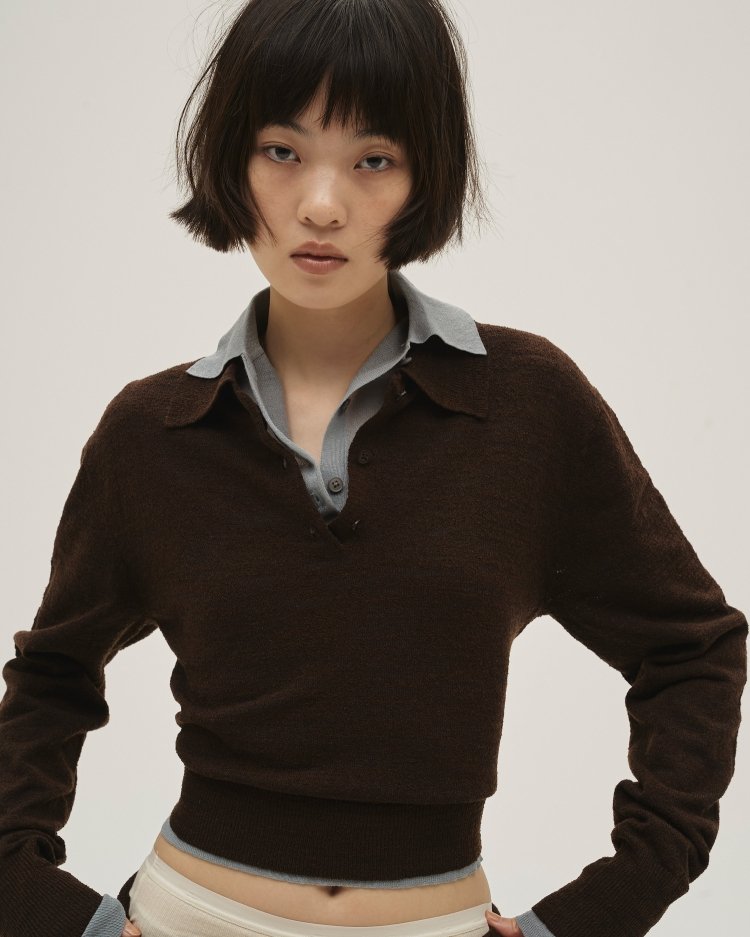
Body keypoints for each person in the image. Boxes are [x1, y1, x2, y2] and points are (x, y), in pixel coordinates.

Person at [0, 2, 746, 937]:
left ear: (428, 174)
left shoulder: (527, 406)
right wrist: (45, 906)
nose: (322, 204)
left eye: (374, 160)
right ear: (231, 160)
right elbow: (52, 677)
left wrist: (611, 902)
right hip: (189, 911)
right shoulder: (152, 433)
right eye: (282, 151)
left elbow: (692, 647)